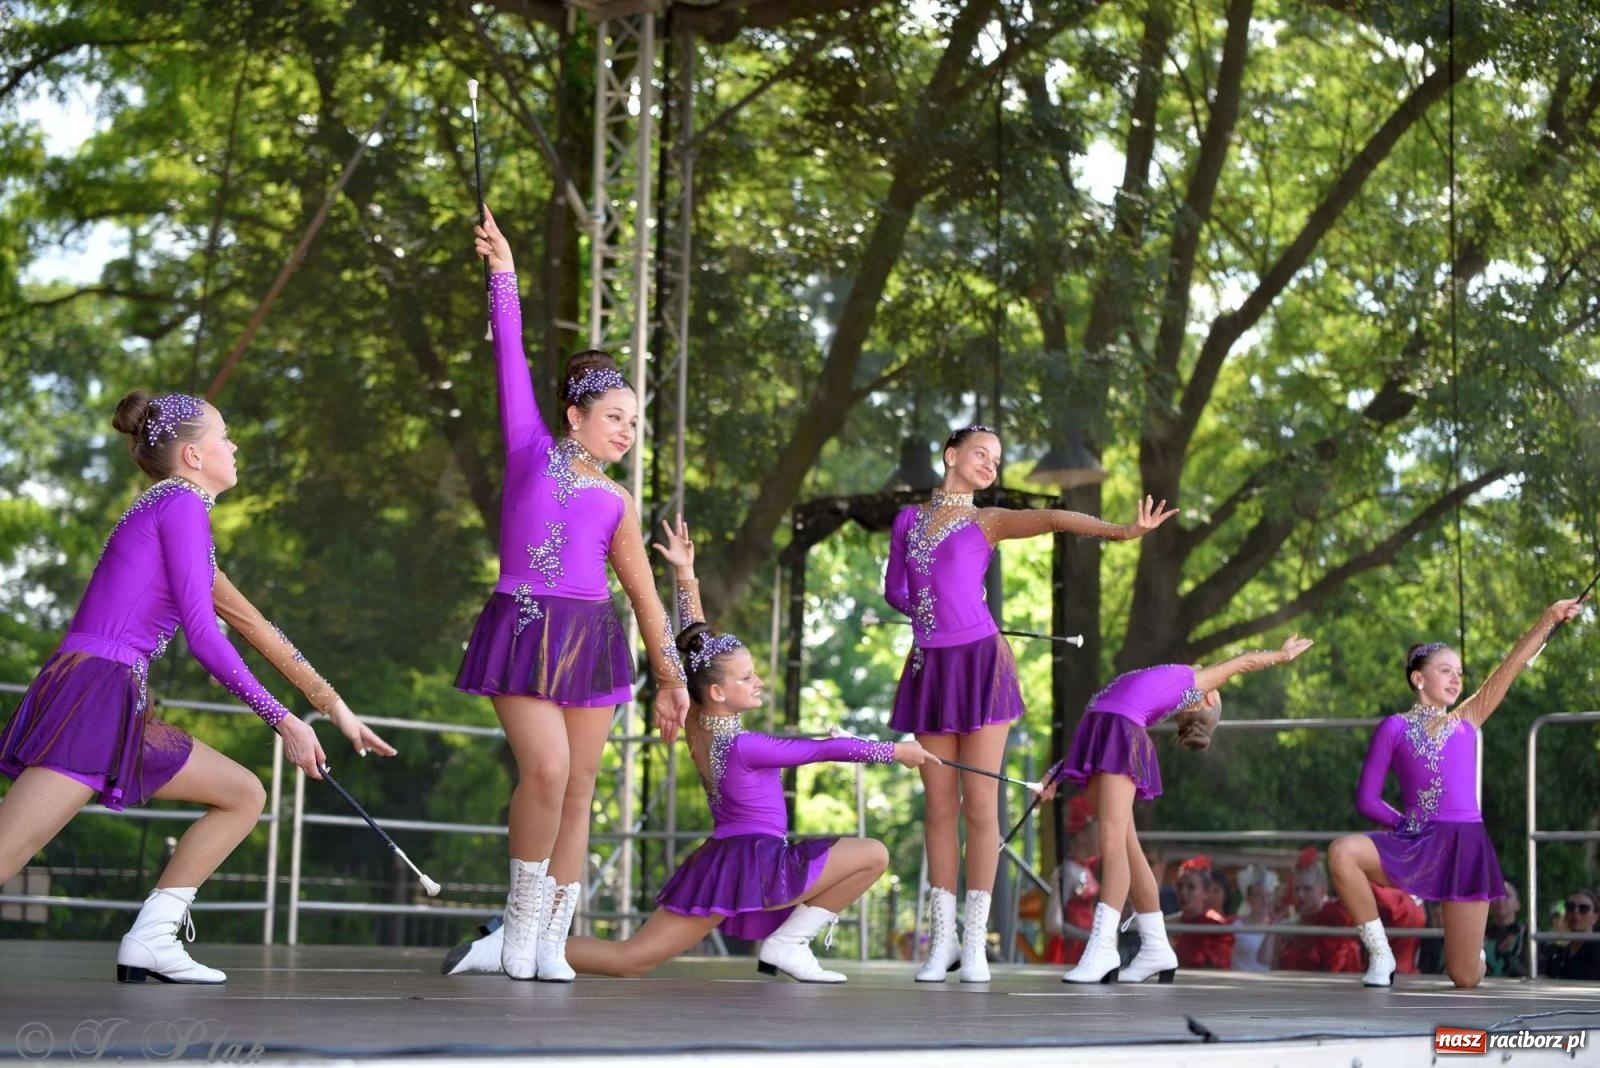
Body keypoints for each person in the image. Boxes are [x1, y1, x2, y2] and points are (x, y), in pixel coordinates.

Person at [0, 392, 393, 983]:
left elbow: (253, 623)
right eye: (224, 435)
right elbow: (204, 637)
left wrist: (333, 706)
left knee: (241, 793)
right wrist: (282, 719)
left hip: (114, 696)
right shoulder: (181, 505)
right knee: (7, 852)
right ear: (191, 454)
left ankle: (153, 939)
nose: (234, 445)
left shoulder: (174, 513)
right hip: (94, 694)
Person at [442, 518, 936, 981]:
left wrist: (686, 575)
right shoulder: (746, 745)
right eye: (747, 678)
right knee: (872, 853)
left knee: (630, 959)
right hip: (757, 864)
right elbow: (823, 749)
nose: (758, 681)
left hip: (721, 863)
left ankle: (512, 941)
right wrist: (895, 753)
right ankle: (789, 944)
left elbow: (696, 646)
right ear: (719, 692)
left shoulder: (700, 719)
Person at [459, 207, 691, 982]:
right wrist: (505, 274)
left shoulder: (619, 500)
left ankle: (550, 939)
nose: (627, 431)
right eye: (615, 417)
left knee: (582, 787)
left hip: (594, 643)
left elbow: (645, 596)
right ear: (575, 416)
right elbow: (511, 358)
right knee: (549, 772)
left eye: (635, 421)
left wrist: (669, 676)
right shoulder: (529, 444)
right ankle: (518, 928)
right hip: (523, 625)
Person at [886, 421, 1177, 984]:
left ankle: (974, 945)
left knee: (981, 805)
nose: (989, 464)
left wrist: (1123, 531)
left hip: (980, 665)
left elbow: (1053, 518)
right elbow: (896, 588)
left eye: (996, 459)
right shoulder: (907, 522)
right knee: (938, 807)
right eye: (980, 453)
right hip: (929, 668)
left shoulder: (986, 521)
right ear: (950, 455)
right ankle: (940, 941)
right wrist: (929, 609)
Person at [1327, 597, 1584, 988]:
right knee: (1343, 852)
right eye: (1445, 671)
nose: (1455, 679)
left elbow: (1512, 665)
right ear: (1418, 679)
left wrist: (1549, 617)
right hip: (1418, 842)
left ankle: (1474, 955)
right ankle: (1380, 954)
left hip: (1466, 847)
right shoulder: (1394, 728)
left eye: (1459, 673)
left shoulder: (1468, 718)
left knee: (1464, 977)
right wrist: (1407, 824)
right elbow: (1367, 799)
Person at [1058, 634, 1314, 983]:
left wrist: (1282, 656)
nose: (1214, 678)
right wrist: (1054, 774)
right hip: (1105, 731)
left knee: (1112, 843)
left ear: (1207, 695)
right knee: (1128, 847)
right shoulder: (1174, 684)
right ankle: (1156, 947)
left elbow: (1243, 661)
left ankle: (1103, 947)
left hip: (1119, 733)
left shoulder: (1190, 686)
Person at [1270, 852, 1359, 974]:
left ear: (1323, 889)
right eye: (1297, 889)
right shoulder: (1287, 929)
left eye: (1307, 889)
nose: (1300, 895)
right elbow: (1274, 971)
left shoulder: (1339, 923)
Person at [1172, 857, 1234, 970]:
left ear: (1206, 892)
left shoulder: (1217, 926)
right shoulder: (1167, 923)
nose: (1183, 892)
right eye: (1179, 886)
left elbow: (1219, 968)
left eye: (1191, 887)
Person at [1231, 864, 1280, 972]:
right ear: (1249, 900)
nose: (1264, 901)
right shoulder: (1236, 927)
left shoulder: (1278, 926)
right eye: (1258, 896)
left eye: (1267, 896)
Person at [1544, 888, 1600, 980]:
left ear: (1595, 916)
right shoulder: (1558, 954)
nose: (1576, 912)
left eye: (1584, 909)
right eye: (1570, 907)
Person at [1482, 880, 1527, 978]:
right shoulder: (1480, 934)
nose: (1500, 900)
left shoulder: (1526, 935)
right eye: (1496, 894)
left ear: (1518, 904)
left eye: (1506, 895)